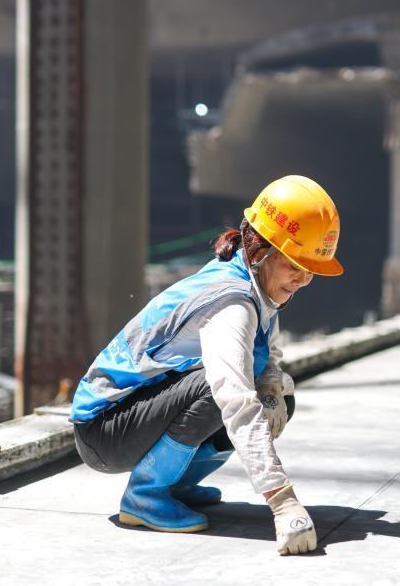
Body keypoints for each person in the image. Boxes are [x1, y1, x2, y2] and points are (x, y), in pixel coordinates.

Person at [69, 175, 343, 556]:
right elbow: (233, 398)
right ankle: (146, 496)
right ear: (261, 249)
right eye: (296, 265)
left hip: (133, 415)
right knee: (223, 389)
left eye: (311, 269)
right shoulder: (232, 304)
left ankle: (175, 484)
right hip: (104, 430)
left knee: (277, 395)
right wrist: (282, 500)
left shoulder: (255, 284)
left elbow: (270, 349)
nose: (304, 279)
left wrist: (272, 387)